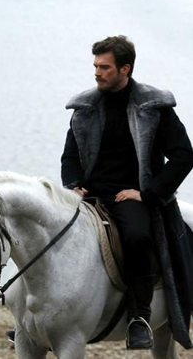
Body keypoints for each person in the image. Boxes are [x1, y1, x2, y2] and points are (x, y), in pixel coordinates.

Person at [61, 35, 193, 349]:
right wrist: (73, 185)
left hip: (130, 196)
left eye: (104, 67)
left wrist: (148, 194)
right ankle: (34, 319)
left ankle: (139, 316)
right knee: (49, 231)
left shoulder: (153, 107)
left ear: (125, 69)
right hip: (89, 195)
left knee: (136, 236)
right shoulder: (85, 108)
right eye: (95, 66)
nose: (96, 72)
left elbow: (184, 154)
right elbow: (69, 157)